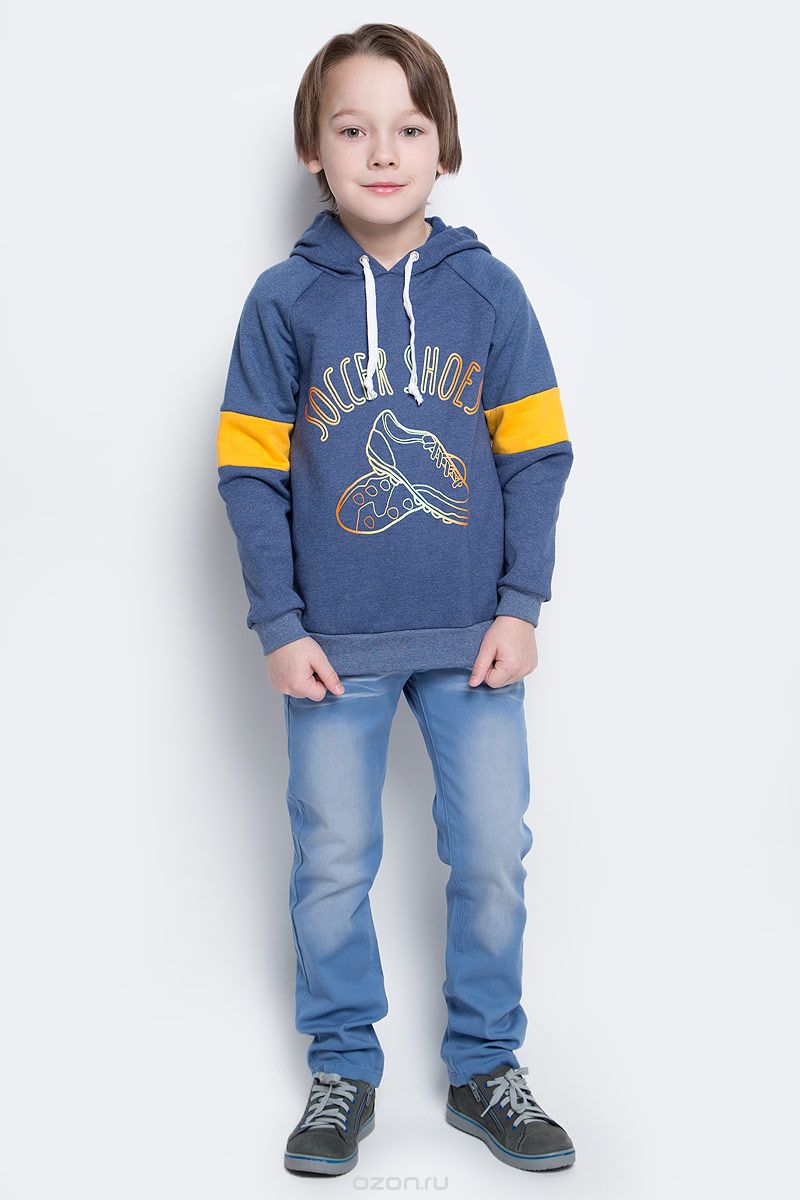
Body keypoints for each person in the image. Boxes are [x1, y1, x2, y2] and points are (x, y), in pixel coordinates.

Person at [216, 22, 576, 1177]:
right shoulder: (284, 302)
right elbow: (249, 473)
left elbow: (536, 456)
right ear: (312, 151)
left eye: (408, 128)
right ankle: (341, 1068)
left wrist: (520, 605)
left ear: (442, 146)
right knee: (332, 863)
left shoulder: (487, 293)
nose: (381, 152)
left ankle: (484, 1066)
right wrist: (279, 625)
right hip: (332, 647)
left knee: (490, 855)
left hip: (474, 641)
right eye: (352, 128)